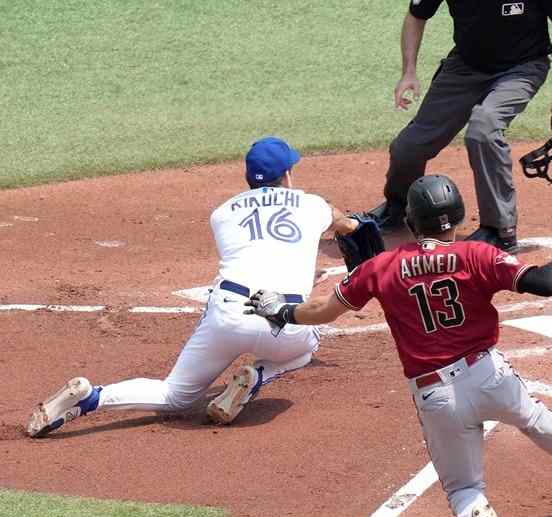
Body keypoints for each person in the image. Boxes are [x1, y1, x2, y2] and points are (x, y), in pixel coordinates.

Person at [245, 173, 552, 517]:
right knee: (537, 420)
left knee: (463, 487)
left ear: (410, 221)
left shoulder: (381, 267)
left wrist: (282, 312)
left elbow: (323, 311)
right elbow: (546, 282)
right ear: (457, 216)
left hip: (435, 395)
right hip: (488, 375)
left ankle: (476, 515)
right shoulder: (477, 255)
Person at [26, 137, 359, 437]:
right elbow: (347, 225)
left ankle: (90, 398)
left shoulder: (222, 213)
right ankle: (257, 376)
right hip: (284, 326)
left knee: (175, 395)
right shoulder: (313, 205)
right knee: (308, 345)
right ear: (287, 175)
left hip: (228, 317)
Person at [368, 0, 552, 251]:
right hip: (465, 67)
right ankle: (399, 206)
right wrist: (409, 72)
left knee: (484, 129)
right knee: (409, 146)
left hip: (522, 68)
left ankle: (499, 230)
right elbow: (416, 16)